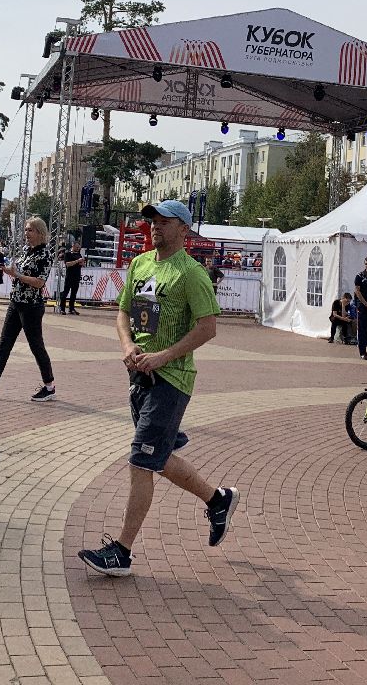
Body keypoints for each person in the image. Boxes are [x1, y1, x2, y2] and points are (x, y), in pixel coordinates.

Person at [77, 200, 237, 577]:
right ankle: (218, 500)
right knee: (158, 458)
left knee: (140, 461)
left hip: (172, 379)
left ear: (184, 229)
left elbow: (208, 327)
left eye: (164, 222)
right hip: (140, 377)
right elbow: (123, 312)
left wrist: (162, 356)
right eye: (152, 221)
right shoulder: (140, 264)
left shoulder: (192, 274)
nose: (155, 227)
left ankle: (122, 552)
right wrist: (128, 346)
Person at [0, 216, 56, 402]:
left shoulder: (45, 254)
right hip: (15, 302)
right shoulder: (25, 250)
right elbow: (18, 273)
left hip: (31, 306)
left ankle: (49, 386)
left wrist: (16, 274)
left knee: (36, 346)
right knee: (3, 345)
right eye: (26, 230)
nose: (26, 233)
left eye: (30, 230)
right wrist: (11, 271)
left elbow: (39, 283)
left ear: (40, 233)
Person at [58, 237, 85, 315]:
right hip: (69, 275)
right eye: (76, 247)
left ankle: (71, 308)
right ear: (72, 246)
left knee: (74, 293)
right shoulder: (67, 254)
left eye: (78, 248)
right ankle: (62, 308)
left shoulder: (79, 254)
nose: (77, 249)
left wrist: (82, 263)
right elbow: (68, 264)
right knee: (66, 292)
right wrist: (77, 261)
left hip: (77, 275)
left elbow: (82, 264)